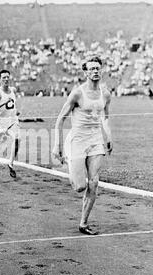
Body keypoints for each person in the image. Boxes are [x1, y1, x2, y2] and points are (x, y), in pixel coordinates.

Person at [52, 56, 113, 235]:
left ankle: (83, 223)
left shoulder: (106, 94)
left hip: (95, 141)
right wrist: (57, 145)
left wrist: (108, 137)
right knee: (79, 187)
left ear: (101, 70)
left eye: (97, 68)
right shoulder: (78, 93)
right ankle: (70, 163)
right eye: (91, 69)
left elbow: (105, 117)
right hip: (77, 140)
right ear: (85, 72)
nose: (95, 71)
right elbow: (60, 120)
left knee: (93, 182)